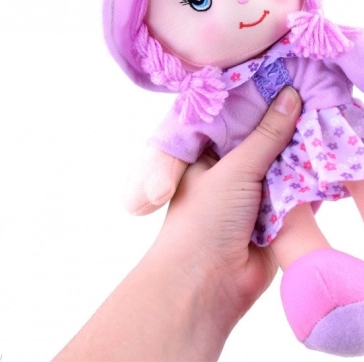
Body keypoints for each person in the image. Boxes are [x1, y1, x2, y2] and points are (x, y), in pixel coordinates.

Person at [54, 87, 302, 362]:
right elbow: (184, 123)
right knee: (295, 228)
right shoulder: (206, 91)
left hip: (295, 164)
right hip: (277, 180)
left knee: (296, 221)